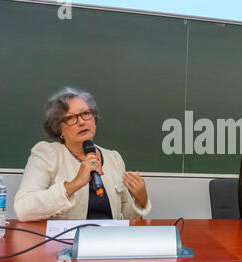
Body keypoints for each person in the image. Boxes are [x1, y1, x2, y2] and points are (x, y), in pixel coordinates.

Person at [14, 87, 151, 221]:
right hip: (64, 242)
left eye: (85, 113)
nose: (81, 122)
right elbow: (23, 209)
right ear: (58, 128)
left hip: (109, 241)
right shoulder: (46, 154)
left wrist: (140, 200)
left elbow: (123, 219)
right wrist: (74, 184)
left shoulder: (113, 158)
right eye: (70, 118)